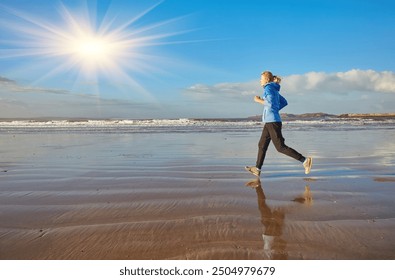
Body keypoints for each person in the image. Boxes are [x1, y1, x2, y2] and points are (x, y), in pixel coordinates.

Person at [245, 71, 312, 177]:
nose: (259, 81)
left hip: (272, 122)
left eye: (261, 79)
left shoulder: (268, 88)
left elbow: (270, 104)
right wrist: (275, 110)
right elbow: (284, 102)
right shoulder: (274, 89)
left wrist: (259, 100)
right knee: (262, 145)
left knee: (280, 147)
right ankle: (257, 168)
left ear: (266, 80)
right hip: (269, 121)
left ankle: (304, 160)